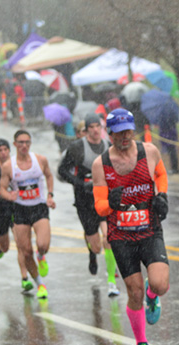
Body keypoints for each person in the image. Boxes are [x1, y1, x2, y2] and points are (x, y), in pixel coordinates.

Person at [91, 108, 170, 345]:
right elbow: (99, 205)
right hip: (121, 235)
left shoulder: (149, 151)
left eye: (128, 131)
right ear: (110, 134)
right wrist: (110, 204)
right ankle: (141, 344)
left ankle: (152, 295)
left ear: (133, 129)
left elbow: (160, 174)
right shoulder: (101, 164)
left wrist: (162, 197)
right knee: (133, 291)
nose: (124, 137)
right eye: (118, 133)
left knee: (160, 284)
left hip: (149, 229)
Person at [58, 113, 120, 297]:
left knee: (109, 238)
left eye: (97, 126)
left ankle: (111, 282)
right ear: (86, 130)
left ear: (101, 128)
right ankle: (92, 254)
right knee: (96, 245)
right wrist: (80, 183)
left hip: (104, 198)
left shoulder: (108, 146)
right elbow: (62, 170)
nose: (95, 130)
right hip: (84, 201)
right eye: (91, 127)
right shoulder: (77, 148)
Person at [0, 130, 56, 300]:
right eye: (21, 142)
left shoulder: (40, 160)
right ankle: (40, 284)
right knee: (26, 251)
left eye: (27, 142)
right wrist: (9, 196)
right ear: (15, 144)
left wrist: (50, 195)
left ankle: (41, 255)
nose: (24, 146)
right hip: (20, 210)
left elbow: (49, 176)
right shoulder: (9, 166)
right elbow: (2, 187)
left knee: (43, 244)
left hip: (38, 207)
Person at [0, 139, 31, 292]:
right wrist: (2, 196)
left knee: (21, 244)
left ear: (10, 150)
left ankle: (24, 278)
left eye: (5, 149)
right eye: (0, 150)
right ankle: (0, 247)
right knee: (6, 246)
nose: (3, 153)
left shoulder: (16, 165)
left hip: (16, 209)